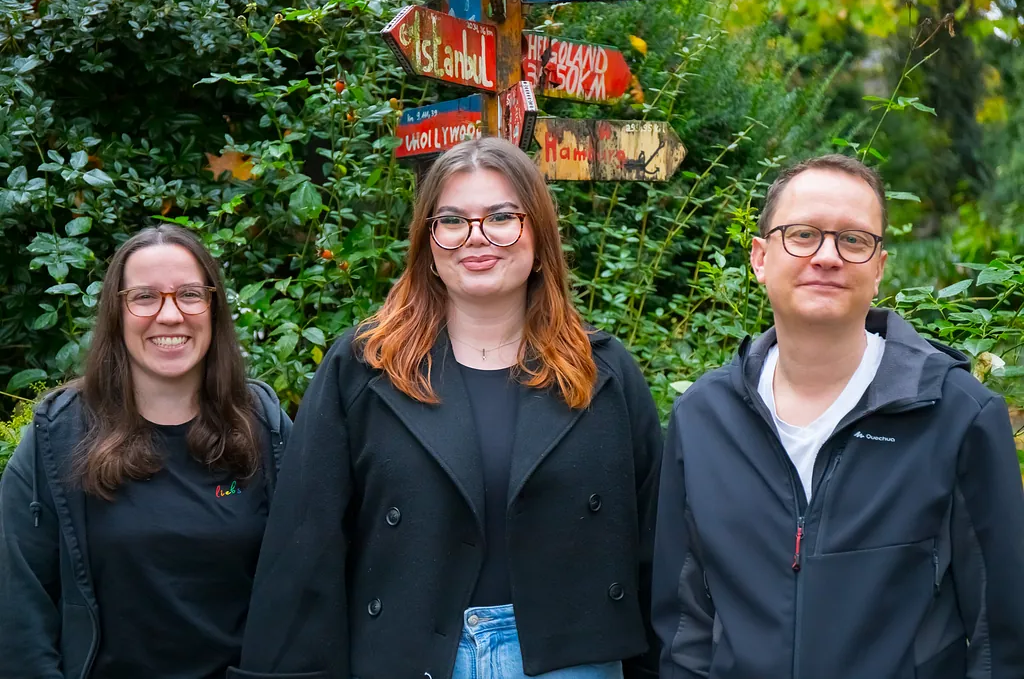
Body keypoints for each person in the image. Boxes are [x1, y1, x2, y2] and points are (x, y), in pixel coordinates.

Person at [230, 137, 662, 679]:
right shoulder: (366, 369)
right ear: (429, 245)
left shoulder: (603, 373)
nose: (477, 237)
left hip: (572, 663)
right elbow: (305, 545)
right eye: (452, 220)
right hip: (409, 658)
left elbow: (655, 549)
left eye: (502, 216)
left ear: (539, 238)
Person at [651, 154, 1024, 679]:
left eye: (853, 240)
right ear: (760, 257)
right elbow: (683, 623)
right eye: (802, 234)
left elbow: (1000, 633)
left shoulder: (957, 415)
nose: (827, 256)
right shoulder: (703, 418)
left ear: (879, 267)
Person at [0, 224, 292, 679]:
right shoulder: (58, 435)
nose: (170, 315)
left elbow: (305, 583)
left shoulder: (264, 427)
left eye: (190, 294)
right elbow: (20, 606)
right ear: (117, 313)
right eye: (144, 297)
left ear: (213, 308)